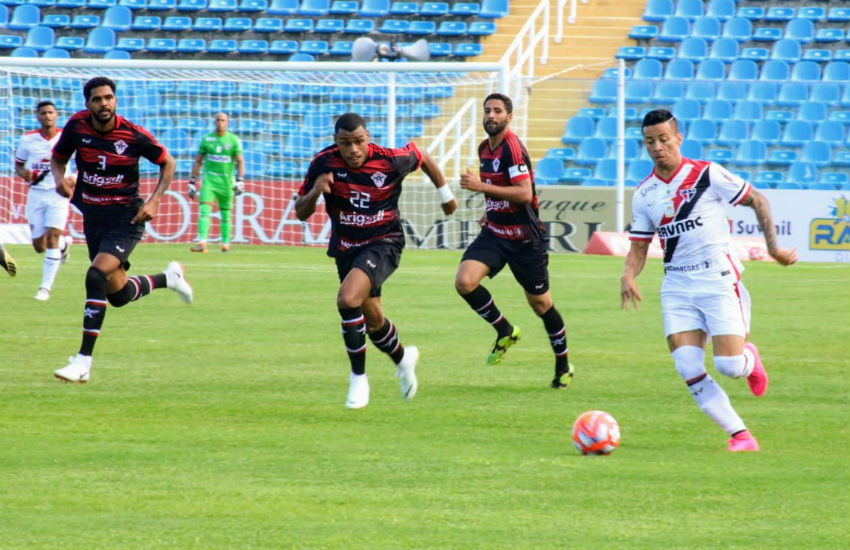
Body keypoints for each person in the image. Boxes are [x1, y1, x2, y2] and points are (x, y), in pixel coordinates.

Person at [620, 108, 797, 452]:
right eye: (649, 142)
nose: (657, 147)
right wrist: (628, 275)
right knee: (687, 365)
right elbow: (639, 248)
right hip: (677, 286)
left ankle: (749, 358)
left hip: (716, 278)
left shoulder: (707, 175)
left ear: (678, 139)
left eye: (663, 139)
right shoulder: (644, 194)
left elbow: (758, 199)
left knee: (729, 366)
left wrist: (773, 248)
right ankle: (740, 434)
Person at [294, 112, 457, 409]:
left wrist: (445, 194)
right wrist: (317, 191)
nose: (353, 150)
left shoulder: (390, 159)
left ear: (368, 137)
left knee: (347, 299)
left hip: (384, 242)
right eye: (346, 144)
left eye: (359, 142)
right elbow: (300, 212)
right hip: (347, 249)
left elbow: (423, 157)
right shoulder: (323, 162)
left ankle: (359, 379)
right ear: (336, 143)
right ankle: (403, 359)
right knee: (374, 321)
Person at [50, 76, 194, 384]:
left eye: (108, 98)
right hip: (93, 216)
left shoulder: (133, 135)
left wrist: (154, 201)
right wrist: (59, 178)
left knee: (94, 275)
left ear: (115, 100)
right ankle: (169, 278)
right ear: (87, 104)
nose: (104, 103)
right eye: (97, 99)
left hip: (126, 219)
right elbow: (58, 158)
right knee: (118, 294)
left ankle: (83, 361)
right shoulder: (77, 127)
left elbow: (168, 162)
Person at [456, 93, 574, 389]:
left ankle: (563, 365)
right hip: (496, 232)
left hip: (524, 239)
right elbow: (498, 188)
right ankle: (505, 329)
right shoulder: (485, 148)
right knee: (465, 282)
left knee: (541, 304)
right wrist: (489, 209)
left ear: (509, 117)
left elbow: (523, 193)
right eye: (487, 111)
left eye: (497, 111)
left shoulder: (512, 149)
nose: (491, 116)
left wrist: (479, 186)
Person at [14, 100, 74, 301]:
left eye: (50, 112)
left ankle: (44, 289)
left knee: (52, 239)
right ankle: (65, 245)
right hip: (36, 195)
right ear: (38, 116)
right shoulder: (28, 140)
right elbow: (19, 166)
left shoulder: (67, 137)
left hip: (58, 193)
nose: (47, 116)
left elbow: (85, 161)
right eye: (43, 113)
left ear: (56, 115)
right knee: (39, 246)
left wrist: (75, 177)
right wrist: (25, 174)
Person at [187, 112, 244, 253]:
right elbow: (199, 161)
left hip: (226, 182)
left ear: (227, 123)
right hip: (209, 182)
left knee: (226, 214)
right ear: (214, 122)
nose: (220, 123)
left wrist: (240, 180)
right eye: (218, 120)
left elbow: (240, 161)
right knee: (204, 210)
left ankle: (225, 244)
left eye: (223, 120)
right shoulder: (207, 139)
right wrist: (192, 181)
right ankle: (202, 242)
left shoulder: (233, 140)